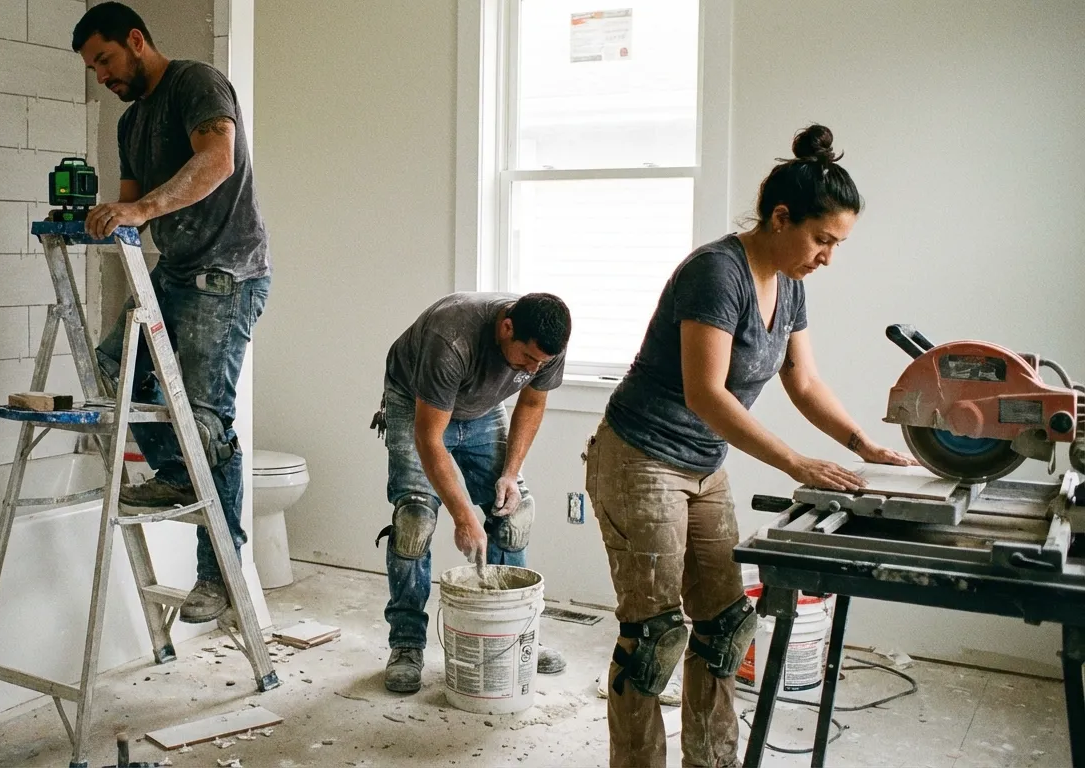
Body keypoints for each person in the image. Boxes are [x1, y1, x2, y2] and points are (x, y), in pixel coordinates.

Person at [583, 125, 915, 767]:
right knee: (653, 637)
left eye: (837, 244)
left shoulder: (790, 286)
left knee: (727, 624)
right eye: (823, 239)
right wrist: (796, 462)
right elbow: (707, 393)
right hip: (641, 459)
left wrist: (863, 445)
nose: (828, 257)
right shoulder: (717, 272)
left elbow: (805, 380)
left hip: (705, 466)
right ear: (781, 218)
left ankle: (711, 761)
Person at [73, 2, 270, 623]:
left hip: (227, 272)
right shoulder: (131, 124)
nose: (101, 75)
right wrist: (97, 217)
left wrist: (137, 212)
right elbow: (129, 205)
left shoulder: (197, 83)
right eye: (91, 68)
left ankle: (220, 574)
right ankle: (176, 472)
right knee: (110, 370)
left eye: (104, 59)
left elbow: (217, 161)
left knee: (209, 425)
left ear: (136, 40)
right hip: (173, 273)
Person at [372, 292, 573, 693]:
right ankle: (407, 644)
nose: (534, 369)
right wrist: (464, 518)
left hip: (480, 410)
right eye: (527, 359)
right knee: (415, 520)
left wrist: (511, 474)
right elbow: (431, 439)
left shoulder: (547, 345)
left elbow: (532, 404)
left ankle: (515, 635)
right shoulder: (452, 339)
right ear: (506, 326)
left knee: (513, 514)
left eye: (542, 363)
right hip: (415, 406)